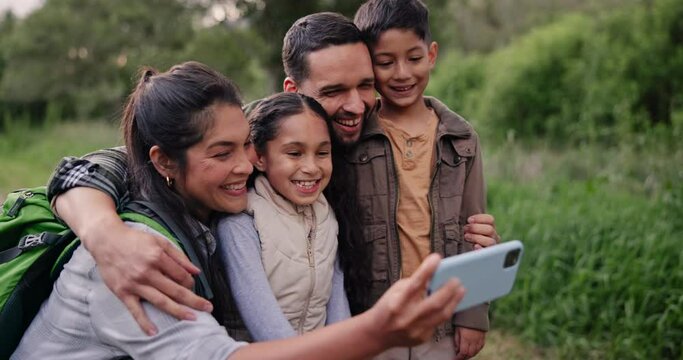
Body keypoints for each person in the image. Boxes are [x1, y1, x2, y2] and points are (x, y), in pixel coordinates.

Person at [45, 12, 499, 335]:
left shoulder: (380, 130)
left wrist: (473, 238)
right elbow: (105, 164)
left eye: (365, 85)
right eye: (334, 91)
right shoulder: (254, 135)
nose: (357, 105)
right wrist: (105, 234)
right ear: (293, 90)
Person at [12, 61, 466, 359]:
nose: (246, 164)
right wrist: (377, 331)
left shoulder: (191, 198)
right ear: (164, 161)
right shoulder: (135, 258)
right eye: (222, 152)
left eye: (246, 143)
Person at [351, 1, 490, 359]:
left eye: (413, 58)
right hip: (373, 317)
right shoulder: (353, 134)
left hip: (438, 315)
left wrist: (473, 315)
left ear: (431, 54)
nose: (401, 73)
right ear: (367, 64)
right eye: (385, 62)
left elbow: (473, 228)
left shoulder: (461, 138)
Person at [216, 92, 350, 341]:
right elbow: (264, 325)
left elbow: (338, 307)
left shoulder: (328, 216)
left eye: (322, 153)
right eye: (294, 153)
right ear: (259, 157)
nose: (311, 167)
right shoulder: (241, 225)